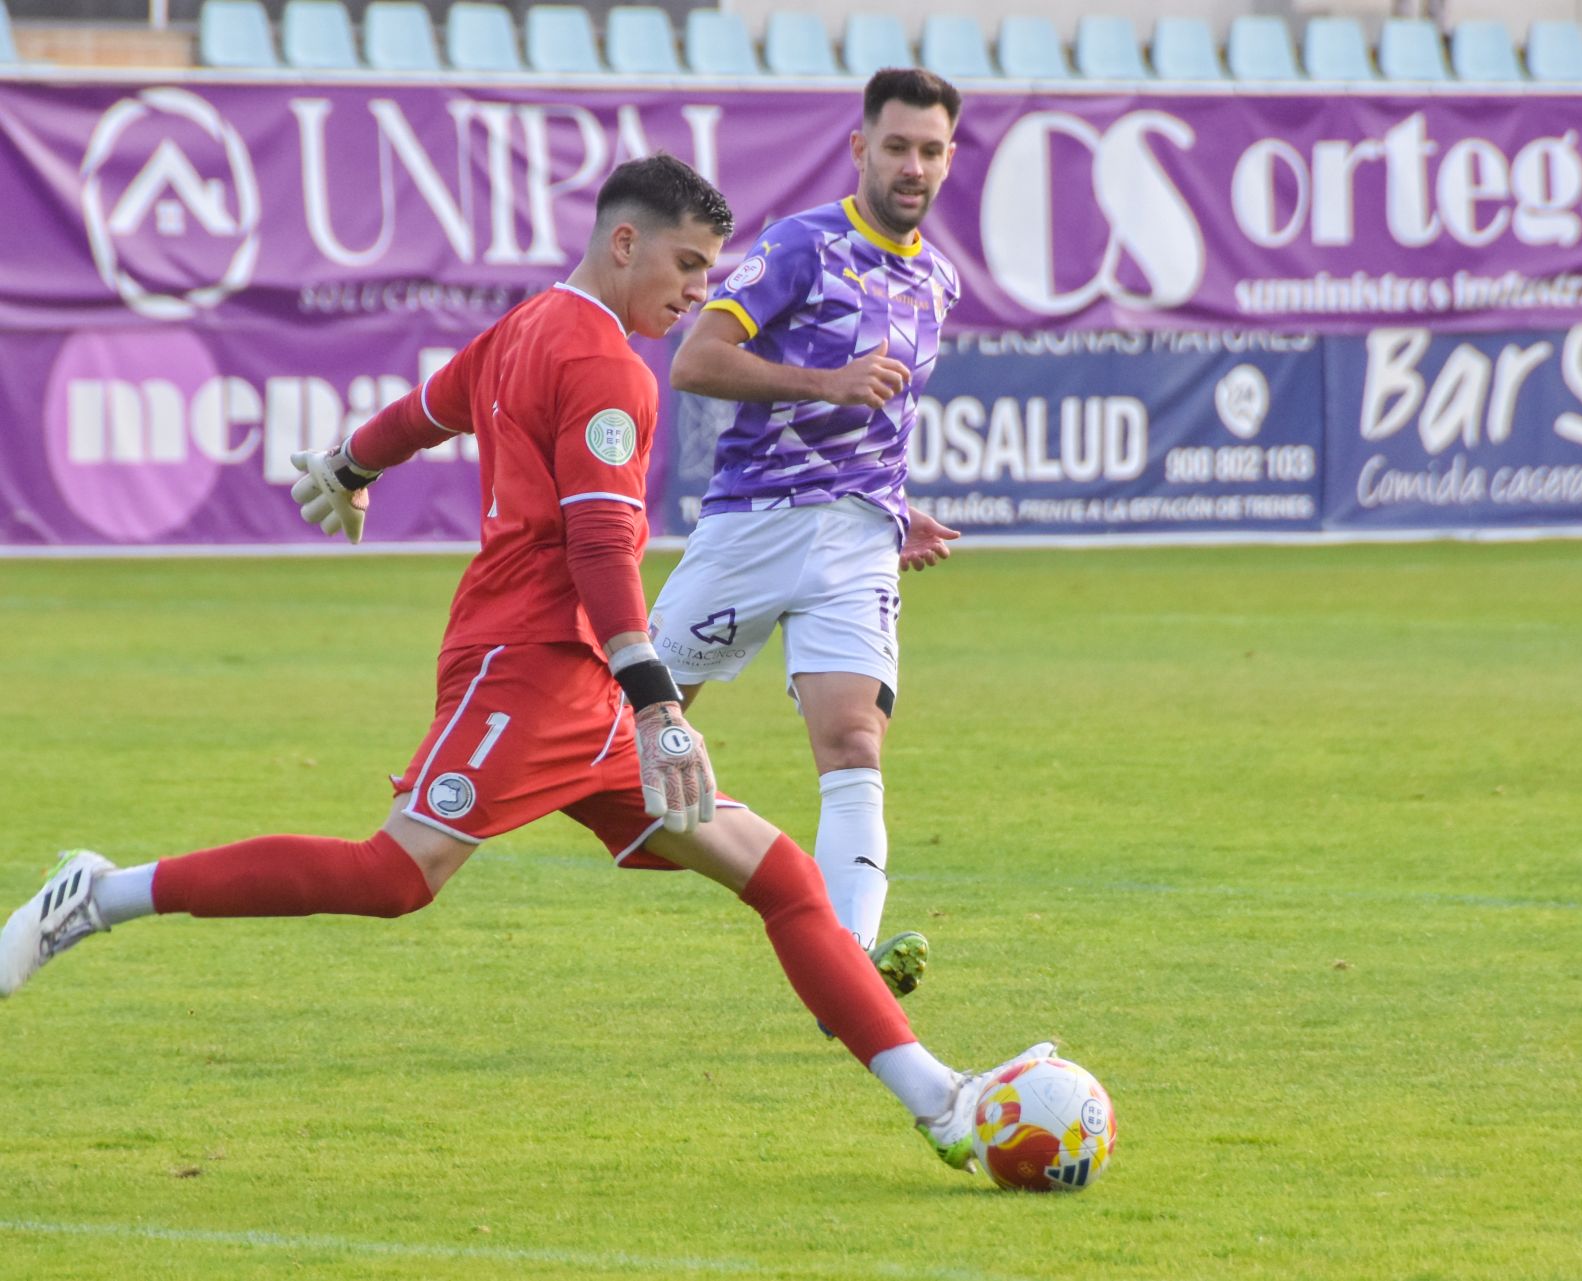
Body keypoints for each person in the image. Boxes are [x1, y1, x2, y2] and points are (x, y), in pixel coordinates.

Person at [0, 154, 1043, 1175]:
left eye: (709, 272)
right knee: (393, 875)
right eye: (685, 266)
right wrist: (658, 705)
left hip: (575, 676)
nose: (698, 291)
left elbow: (426, 409)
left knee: (779, 878)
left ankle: (941, 1102)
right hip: (529, 668)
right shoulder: (603, 367)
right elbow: (596, 549)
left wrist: (352, 466)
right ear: (623, 241)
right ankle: (97, 893)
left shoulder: (527, 326)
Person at [651, 69, 965, 1005]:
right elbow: (694, 360)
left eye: (932, 149)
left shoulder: (939, 282)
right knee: (617, 723)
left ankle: (847, 970)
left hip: (856, 540)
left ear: (950, 160)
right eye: (898, 145)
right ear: (861, 148)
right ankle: (465, 780)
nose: (913, 165)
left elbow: (883, 427)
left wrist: (896, 508)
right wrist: (827, 382)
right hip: (757, 526)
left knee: (853, 740)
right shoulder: (803, 245)